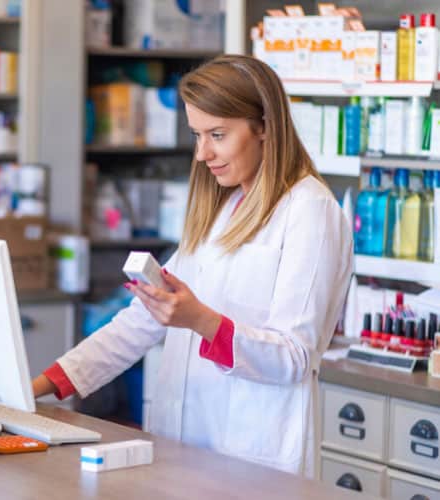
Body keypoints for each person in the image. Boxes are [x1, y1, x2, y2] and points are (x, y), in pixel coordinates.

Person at [32, 54, 354, 478]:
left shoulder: (310, 211)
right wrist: (36, 388)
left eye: (217, 135)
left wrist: (201, 320)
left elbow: (293, 356)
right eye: (197, 135)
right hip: (184, 448)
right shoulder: (225, 207)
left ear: (265, 128)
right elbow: (141, 321)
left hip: (253, 458)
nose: (203, 153)